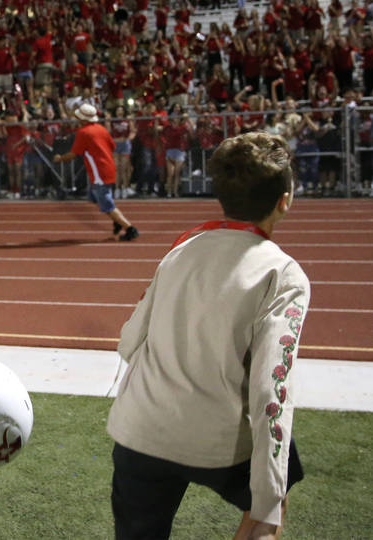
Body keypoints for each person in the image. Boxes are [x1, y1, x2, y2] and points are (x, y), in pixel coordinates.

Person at [107, 132, 309, 540]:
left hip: (139, 430)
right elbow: (272, 389)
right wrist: (268, 500)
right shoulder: (282, 273)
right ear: (284, 200)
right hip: (216, 441)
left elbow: (129, 341)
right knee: (277, 489)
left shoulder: (183, 249)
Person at [53, 103, 138, 241]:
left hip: (99, 173)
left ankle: (129, 228)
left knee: (106, 204)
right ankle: (117, 219)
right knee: (94, 197)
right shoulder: (102, 129)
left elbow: (74, 154)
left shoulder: (84, 132)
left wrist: (60, 158)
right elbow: (112, 145)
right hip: (107, 167)